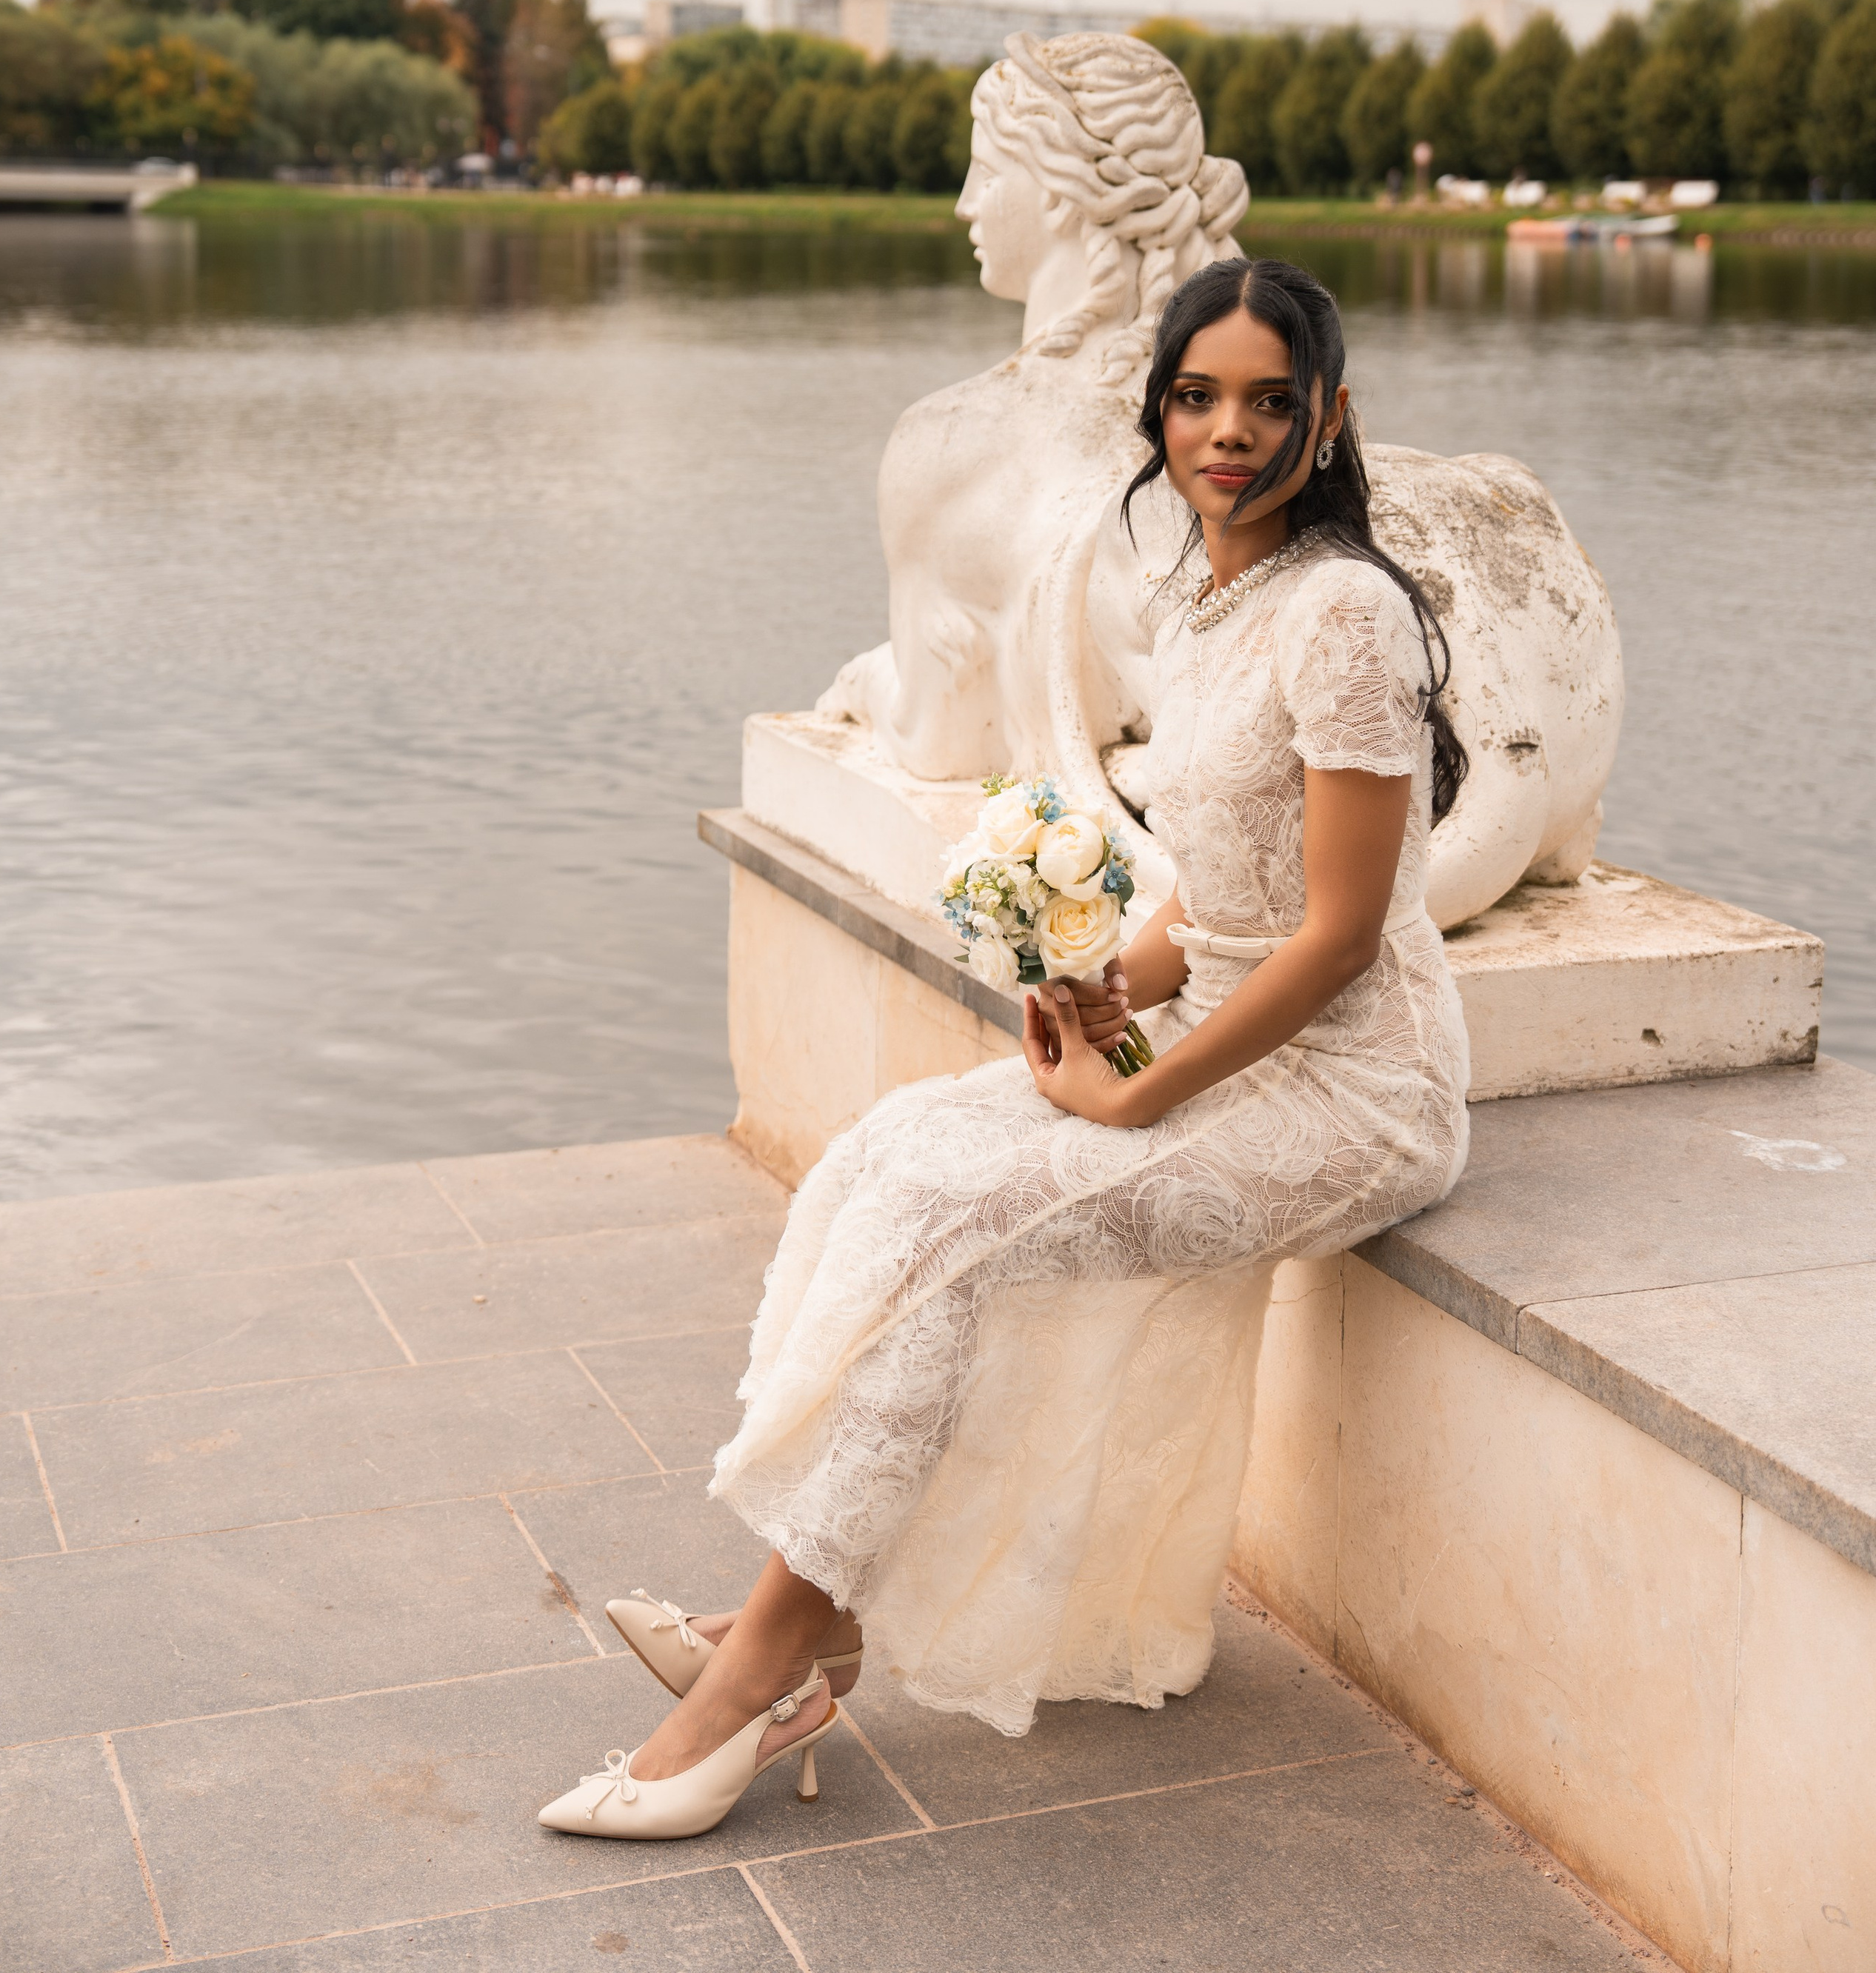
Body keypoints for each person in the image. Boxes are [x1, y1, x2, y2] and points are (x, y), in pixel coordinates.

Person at [538, 256, 1471, 1843]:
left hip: (1352, 1096)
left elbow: (1334, 935)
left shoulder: (1343, 615)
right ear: (1155, 412)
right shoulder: (1204, 594)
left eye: (1265, 401)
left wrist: (1141, 1092)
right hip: (1210, 1039)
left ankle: (758, 1669)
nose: (1225, 433)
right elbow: (1229, 895)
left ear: (1329, 417)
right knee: (891, 1156)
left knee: (957, 1221)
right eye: (1195, 398)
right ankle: (810, 1622)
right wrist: (1108, 981)